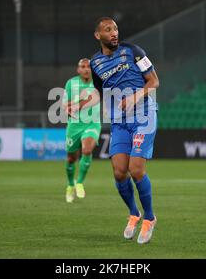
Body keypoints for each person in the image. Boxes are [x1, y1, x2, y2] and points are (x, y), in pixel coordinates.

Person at [89, 17, 160, 244]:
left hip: (144, 115)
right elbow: (100, 93)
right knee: (120, 172)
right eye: (108, 30)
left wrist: (135, 96)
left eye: (116, 29)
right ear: (98, 36)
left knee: (136, 169)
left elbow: (154, 81)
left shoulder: (134, 51)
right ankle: (134, 213)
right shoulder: (95, 63)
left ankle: (149, 218)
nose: (114, 33)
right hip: (119, 120)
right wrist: (78, 105)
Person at [63, 58, 101, 203]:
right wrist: (68, 108)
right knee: (71, 158)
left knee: (87, 150)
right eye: (83, 67)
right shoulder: (70, 83)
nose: (86, 69)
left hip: (92, 123)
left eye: (89, 67)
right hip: (74, 125)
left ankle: (79, 182)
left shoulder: (98, 83)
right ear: (78, 70)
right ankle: (70, 185)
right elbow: (66, 104)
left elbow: (97, 98)